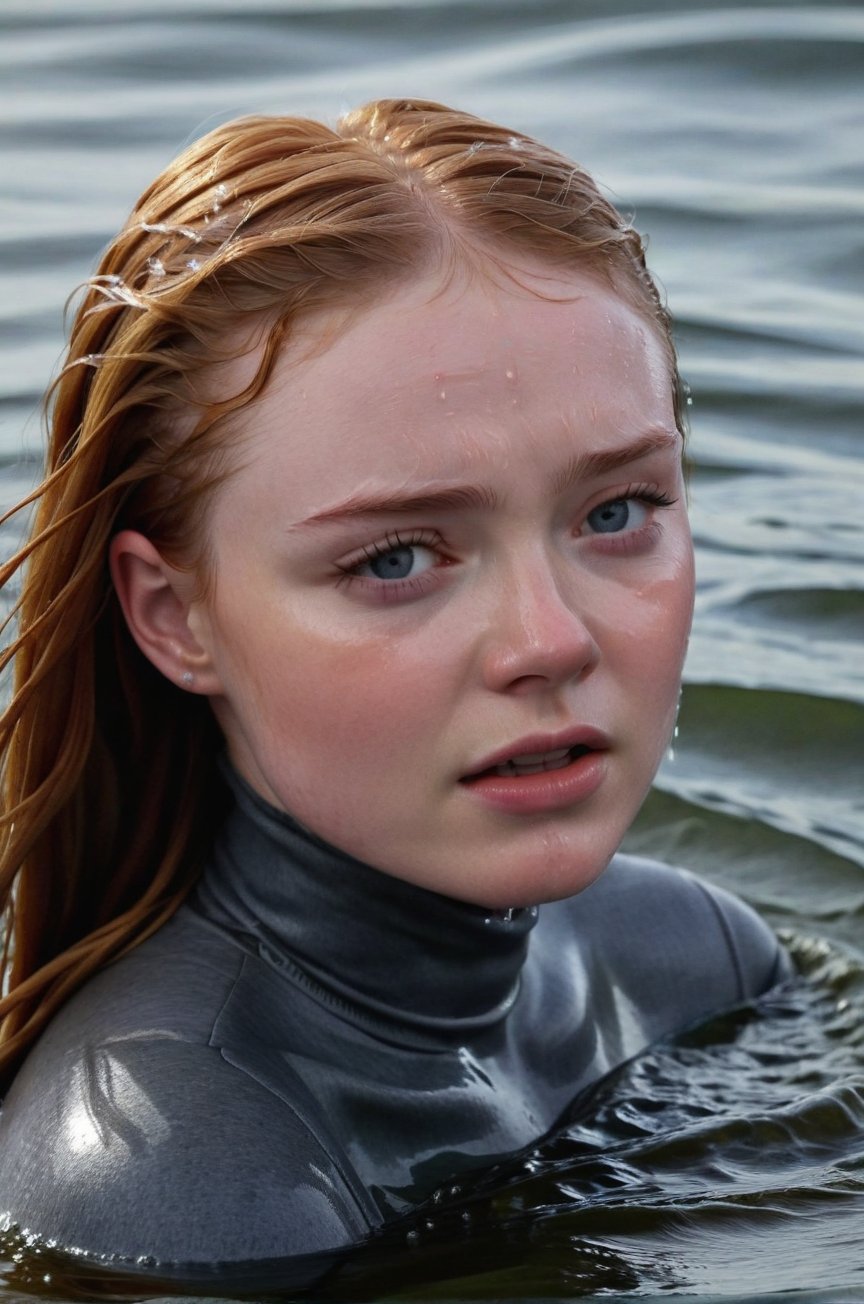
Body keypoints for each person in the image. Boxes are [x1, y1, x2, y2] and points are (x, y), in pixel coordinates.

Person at [0, 100, 790, 1270]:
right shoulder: (175, 1168)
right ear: (177, 616)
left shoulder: (695, 962)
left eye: (616, 511)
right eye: (395, 558)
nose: (549, 639)